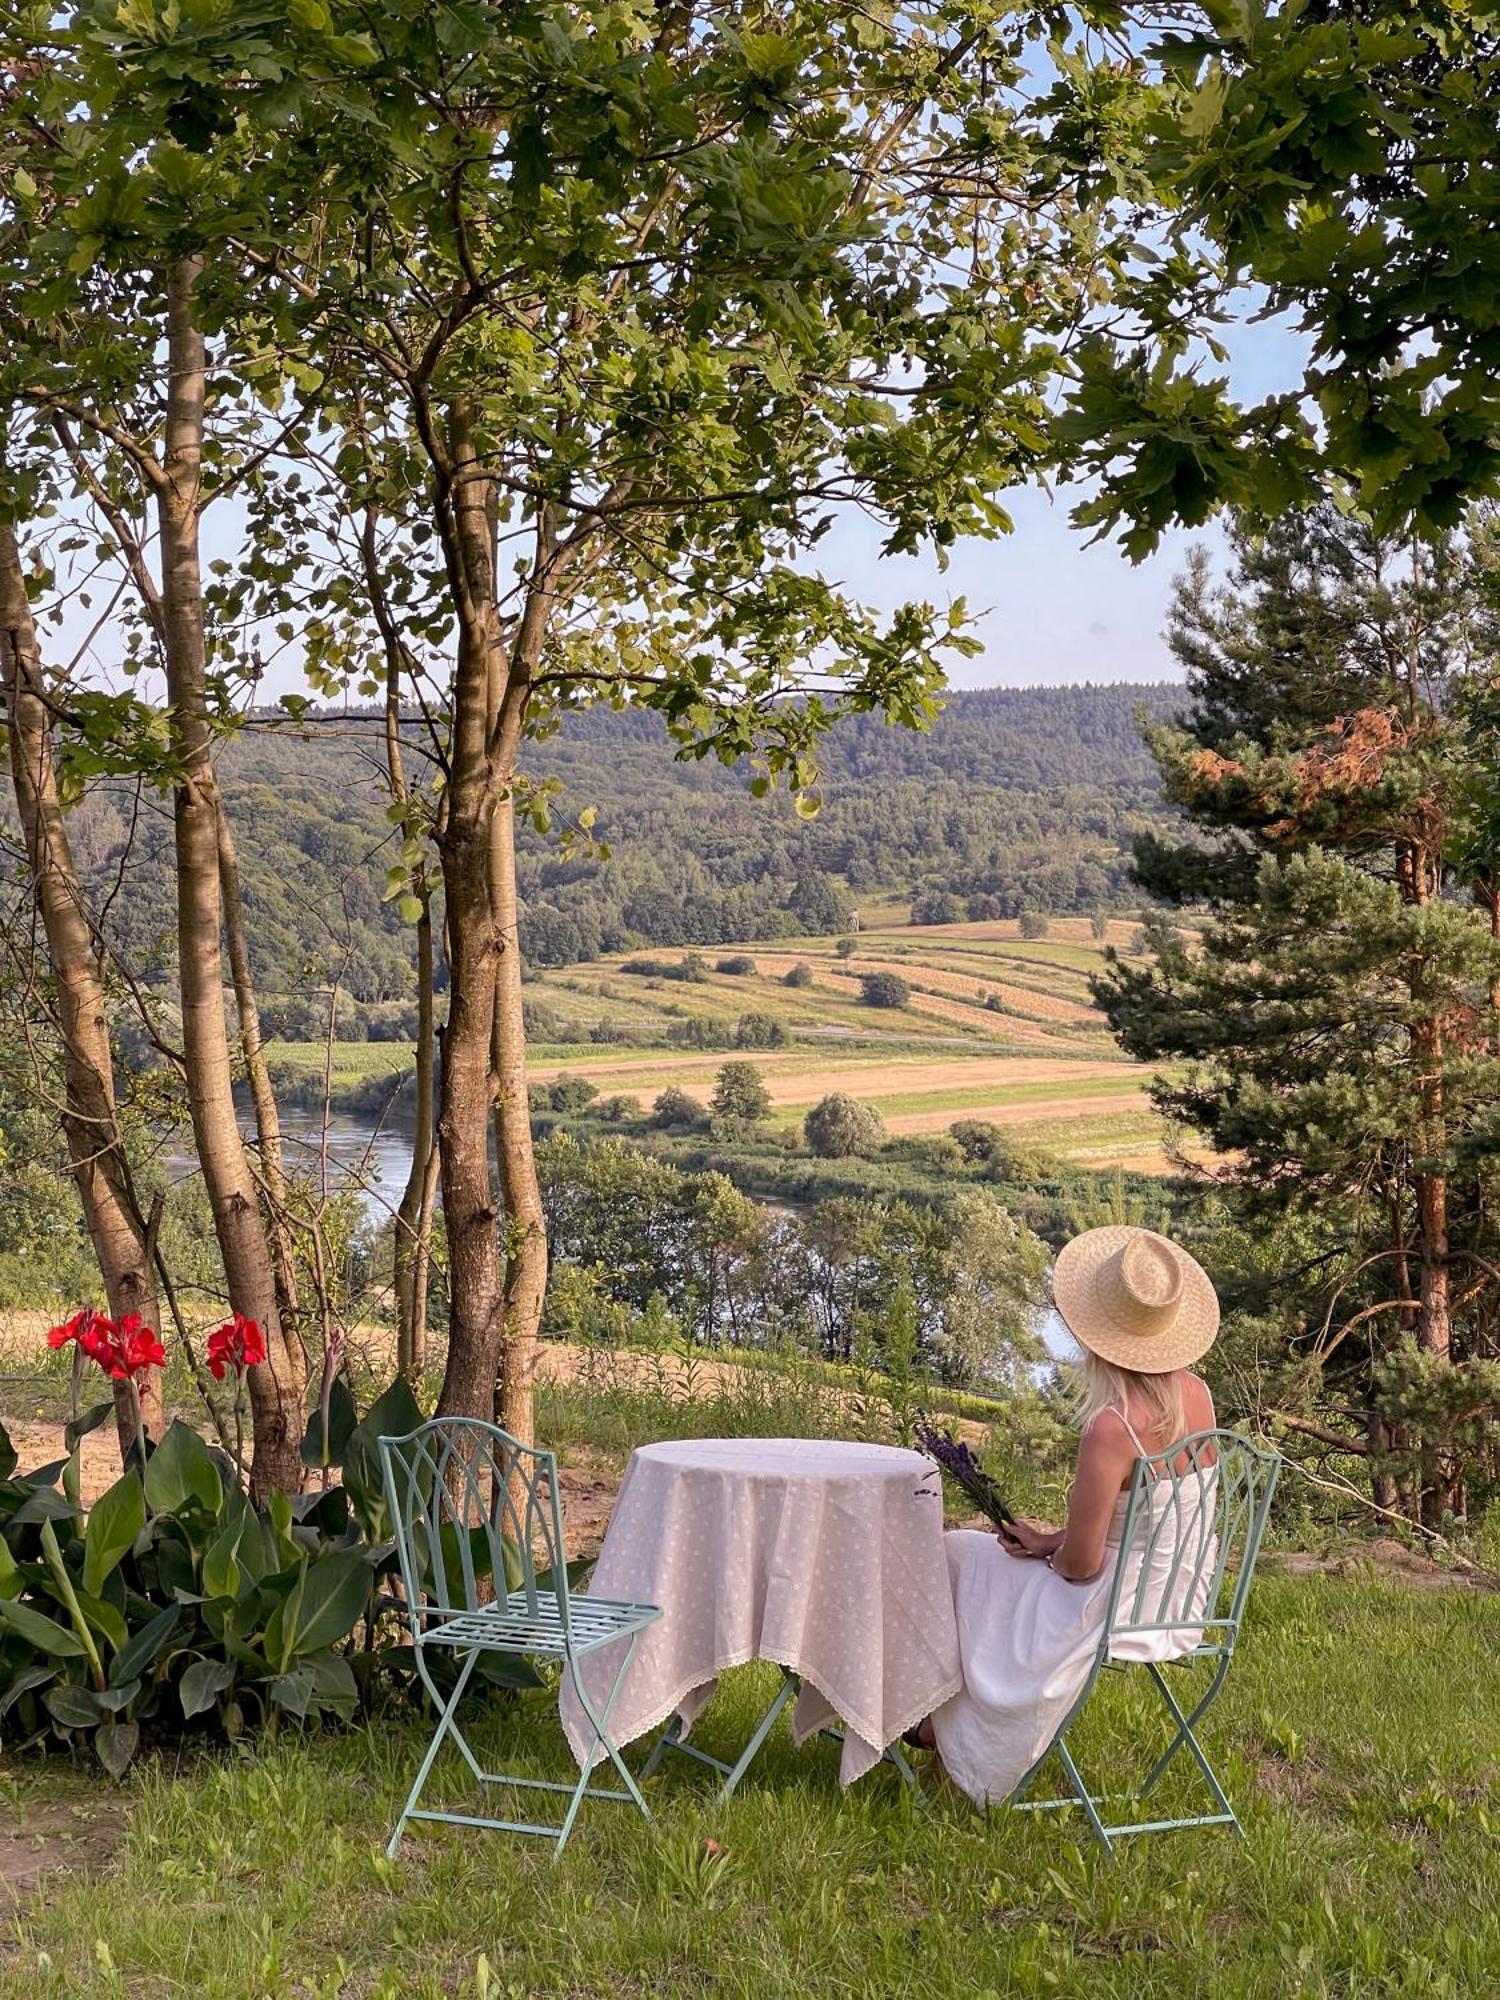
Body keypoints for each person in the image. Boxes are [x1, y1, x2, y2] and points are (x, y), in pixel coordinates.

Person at [916, 1224, 1222, 1807]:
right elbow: (1148, 1523)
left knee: (961, 1555)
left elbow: (1081, 1568)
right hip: (1179, 1600)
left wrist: (1056, 1552)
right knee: (992, 1567)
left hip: (1119, 1606)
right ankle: (947, 1730)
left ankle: (945, 1734)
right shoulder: (1198, 1393)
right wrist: (1049, 1539)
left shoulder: (1113, 1427)